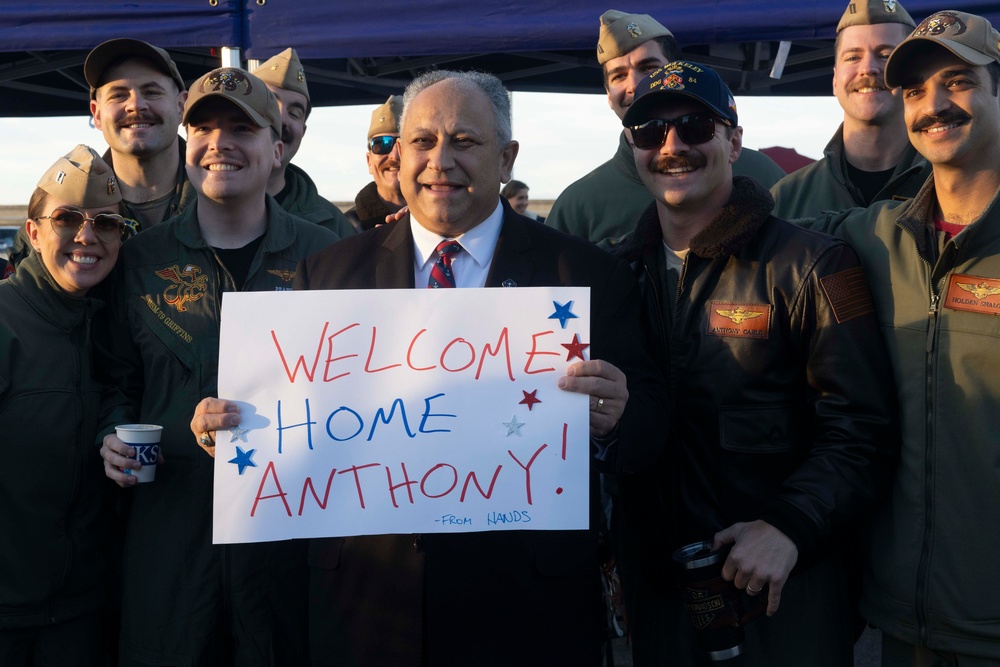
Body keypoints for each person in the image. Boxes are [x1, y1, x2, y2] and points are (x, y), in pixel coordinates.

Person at [193, 68, 666, 667]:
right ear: (396, 159)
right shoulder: (328, 276)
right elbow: (298, 436)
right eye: (420, 141)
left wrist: (620, 416)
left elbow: (651, 427)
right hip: (365, 612)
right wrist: (234, 427)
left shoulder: (585, 276)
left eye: (465, 141)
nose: (440, 160)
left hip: (525, 613)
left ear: (506, 158)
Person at [611, 60, 897, 665]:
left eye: (694, 126)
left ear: (734, 141)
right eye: (649, 133)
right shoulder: (614, 276)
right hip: (660, 590)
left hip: (781, 583)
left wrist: (789, 526)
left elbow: (862, 429)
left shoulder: (814, 266)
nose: (672, 146)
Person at [94, 66, 338, 667]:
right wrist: (112, 437)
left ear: (276, 147)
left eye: (241, 128)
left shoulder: (328, 256)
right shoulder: (139, 261)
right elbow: (113, 382)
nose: (219, 143)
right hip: (171, 538)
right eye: (203, 128)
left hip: (290, 538)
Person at [804, 11, 1000, 664]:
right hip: (902, 625)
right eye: (914, 91)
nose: (933, 106)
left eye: (957, 81)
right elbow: (763, 228)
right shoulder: (875, 236)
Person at [0, 145, 127, 666]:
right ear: (33, 233)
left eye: (107, 223)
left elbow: (111, 400)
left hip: (78, 615)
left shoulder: (107, 325)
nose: (86, 235)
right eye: (67, 218)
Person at [546, 9, 786, 242]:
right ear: (608, 95)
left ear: (679, 73)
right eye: (618, 76)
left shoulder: (763, 174)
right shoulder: (578, 206)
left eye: (649, 68)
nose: (635, 86)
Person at [6, 39, 191, 272]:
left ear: (181, 105)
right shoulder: (56, 217)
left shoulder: (225, 198)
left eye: (152, 92)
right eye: (118, 96)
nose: (136, 105)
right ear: (97, 114)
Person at [770, 0, 932, 218]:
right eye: (853, 57)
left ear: (913, 75)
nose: (868, 69)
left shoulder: (951, 186)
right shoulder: (787, 198)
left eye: (885, 55)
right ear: (835, 79)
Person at [253, 48, 357, 238]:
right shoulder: (190, 207)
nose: (281, 118)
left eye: (294, 113)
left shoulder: (333, 227)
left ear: (303, 131)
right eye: (270, 104)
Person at [345, 95, 407, 231]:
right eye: (381, 144)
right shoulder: (343, 230)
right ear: (369, 162)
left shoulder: (452, 223)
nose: (394, 156)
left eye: (405, 143)